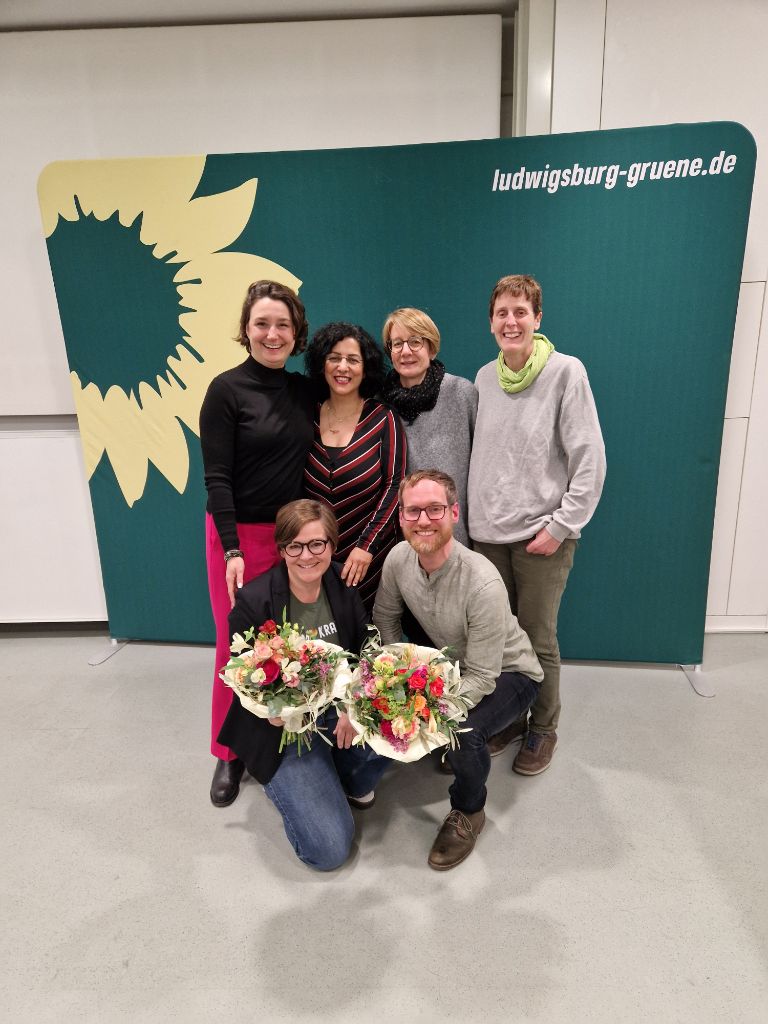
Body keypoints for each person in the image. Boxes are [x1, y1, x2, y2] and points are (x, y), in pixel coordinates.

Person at [468, 275, 606, 775]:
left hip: (540, 537)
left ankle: (542, 729)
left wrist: (562, 525)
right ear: (491, 322)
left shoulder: (566, 373)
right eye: (502, 312)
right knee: (500, 640)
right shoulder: (484, 378)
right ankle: (510, 715)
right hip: (488, 536)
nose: (511, 321)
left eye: (521, 312)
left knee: (537, 638)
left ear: (537, 318)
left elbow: (589, 458)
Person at [373, 470, 543, 870]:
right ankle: (502, 726)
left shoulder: (482, 582)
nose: (424, 521)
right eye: (413, 511)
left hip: (509, 672)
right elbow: (385, 619)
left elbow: (484, 677)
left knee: (461, 732)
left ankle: (469, 811)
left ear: (454, 513)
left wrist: (427, 711)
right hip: (453, 667)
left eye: (435, 509)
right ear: (401, 518)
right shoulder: (398, 559)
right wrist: (399, 677)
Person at [218, 500, 389, 871]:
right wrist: (273, 712)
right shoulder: (254, 600)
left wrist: (352, 706)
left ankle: (346, 775)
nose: (307, 555)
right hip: (281, 730)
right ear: (281, 550)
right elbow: (240, 677)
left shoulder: (342, 585)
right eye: (295, 545)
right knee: (328, 851)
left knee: (397, 727)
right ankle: (294, 779)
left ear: (332, 545)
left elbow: (364, 650)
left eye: (317, 544)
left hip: (335, 710)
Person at [200, 280, 314, 808]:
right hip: (237, 538)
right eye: (262, 323)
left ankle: (277, 731)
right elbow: (216, 478)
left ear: (296, 333)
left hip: (290, 538)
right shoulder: (225, 390)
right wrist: (230, 550)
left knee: (285, 644)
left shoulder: (300, 391)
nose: (272, 333)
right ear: (246, 330)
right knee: (236, 646)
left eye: (283, 325)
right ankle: (228, 753)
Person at [304, 322, 407, 615]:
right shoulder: (306, 414)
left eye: (353, 359)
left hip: (369, 560)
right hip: (313, 556)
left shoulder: (383, 418)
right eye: (334, 357)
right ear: (321, 364)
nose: (343, 367)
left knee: (370, 644)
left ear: (366, 368)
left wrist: (367, 546)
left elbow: (394, 486)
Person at [381, 307, 477, 545]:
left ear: (431, 348)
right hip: (400, 535)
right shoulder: (378, 402)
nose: (405, 351)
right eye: (397, 344)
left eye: (415, 342)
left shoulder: (461, 393)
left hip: (455, 532)